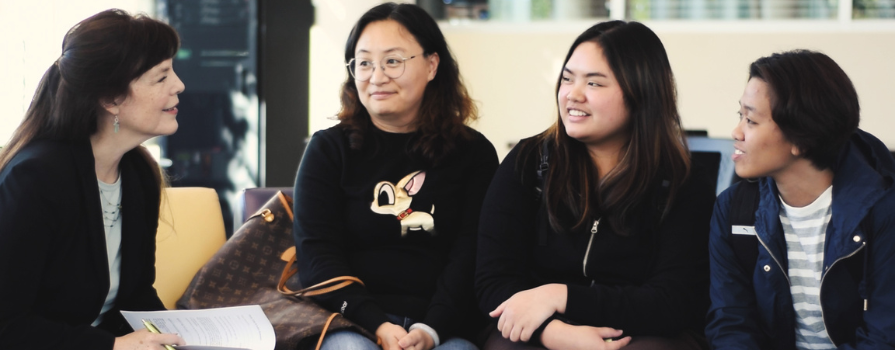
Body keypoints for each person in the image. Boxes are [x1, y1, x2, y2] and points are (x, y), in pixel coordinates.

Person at [475, 20, 716, 350]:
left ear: (640, 92)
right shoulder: (529, 161)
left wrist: (561, 296)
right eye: (567, 78)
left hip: (638, 332)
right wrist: (556, 332)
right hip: (540, 331)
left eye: (594, 83)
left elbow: (674, 301)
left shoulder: (681, 182)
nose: (573, 94)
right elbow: (493, 280)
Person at [292, 3, 498, 350]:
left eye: (392, 60)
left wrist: (432, 329)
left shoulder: (473, 154)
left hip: (443, 326)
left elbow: (472, 256)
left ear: (432, 65)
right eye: (364, 62)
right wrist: (377, 323)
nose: (376, 76)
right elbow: (317, 256)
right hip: (350, 322)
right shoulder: (328, 149)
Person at [0, 9, 187, 350]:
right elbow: (8, 326)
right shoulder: (35, 178)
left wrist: (181, 340)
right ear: (111, 99)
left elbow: (136, 296)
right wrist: (113, 347)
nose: (179, 86)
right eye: (161, 78)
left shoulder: (138, 173)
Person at [706, 50, 895, 349]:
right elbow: (731, 321)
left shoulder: (882, 210)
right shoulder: (734, 210)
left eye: (752, 120)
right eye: (739, 115)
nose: (736, 132)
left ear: (801, 139)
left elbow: (885, 336)